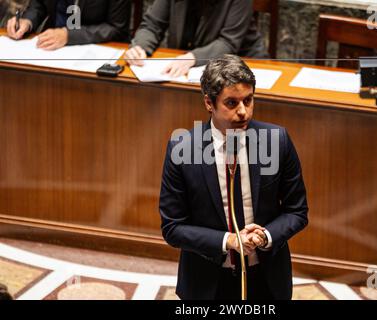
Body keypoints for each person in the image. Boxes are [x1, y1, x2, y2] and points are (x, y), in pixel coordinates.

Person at [159, 54, 308, 300]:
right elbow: (173, 228)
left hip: (267, 277)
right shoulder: (182, 150)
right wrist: (228, 241)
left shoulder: (277, 141)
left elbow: (297, 211)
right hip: (207, 281)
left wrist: (265, 236)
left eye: (248, 100)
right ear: (209, 103)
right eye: (231, 103)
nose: (243, 112)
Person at [125, 0, 268, 78]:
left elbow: (228, 42)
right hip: (189, 72)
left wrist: (193, 58)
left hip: (243, 65)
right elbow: (152, 25)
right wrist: (140, 47)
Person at [6, 0, 131, 50]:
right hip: (49, 48)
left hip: (95, 48)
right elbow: (39, 4)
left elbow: (116, 28)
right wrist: (27, 21)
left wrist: (68, 36)